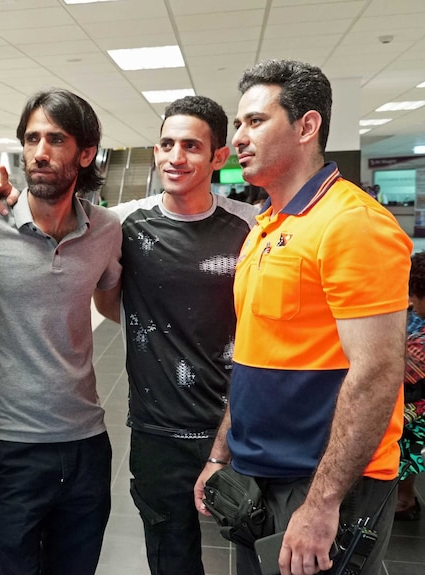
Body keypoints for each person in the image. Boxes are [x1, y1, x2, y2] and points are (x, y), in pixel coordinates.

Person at [0, 95, 258, 575]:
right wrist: (0, 202)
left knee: (257, 551)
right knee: (172, 557)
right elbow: (105, 291)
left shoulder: (251, 226)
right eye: (166, 144)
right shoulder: (120, 224)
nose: (175, 157)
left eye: (191, 146)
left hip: (245, 423)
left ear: (218, 157)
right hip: (159, 431)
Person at [193, 59, 413, 575]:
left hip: (326, 483)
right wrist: (221, 454)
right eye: (239, 123)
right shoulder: (265, 226)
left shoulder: (352, 224)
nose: (239, 137)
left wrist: (321, 504)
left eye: (255, 121)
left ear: (307, 126)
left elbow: (378, 371)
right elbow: (254, 355)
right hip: (258, 473)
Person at [0, 89, 123, 574]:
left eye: (56, 139)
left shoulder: (106, 230)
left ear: (85, 154)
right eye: (31, 139)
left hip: (87, 442)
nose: (39, 152)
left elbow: (112, 298)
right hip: (12, 446)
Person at [397, 251, 425, 521]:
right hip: (414, 398)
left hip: (418, 403)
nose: (410, 300)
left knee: (409, 447)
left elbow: (406, 371)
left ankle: (405, 501)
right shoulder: (417, 315)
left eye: (415, 295)